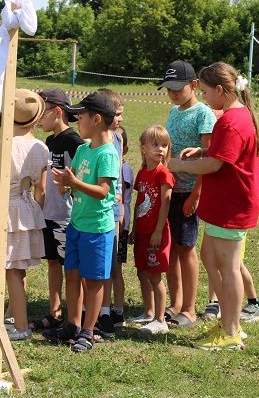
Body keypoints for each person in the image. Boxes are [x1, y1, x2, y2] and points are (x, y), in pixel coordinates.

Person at [168, 62, 259, 351]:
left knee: (228, 267)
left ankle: (232, 331)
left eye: (207, 92)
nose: (206, 98)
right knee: (210, 257)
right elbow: (220, 153)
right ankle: (229, 321)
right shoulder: (233, 117)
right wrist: (203, 149)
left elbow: (216, 164)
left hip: (232, 205)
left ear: (220, 90)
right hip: (223, 203)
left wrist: (179, 165)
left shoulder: (233, 121)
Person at [46, 92, 120, 353]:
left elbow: (103, 192)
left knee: (94, 280)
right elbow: (73, 180)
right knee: (72, 274)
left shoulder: (108, 154)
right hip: (76, 224)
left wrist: (73, 183)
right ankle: (72, 324)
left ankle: (88, 331)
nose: (77, 121)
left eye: (81, 117)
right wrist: (65, 183)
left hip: (97, 229)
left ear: (97, 119)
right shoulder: (81, 149)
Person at [158, 59, 216, 328]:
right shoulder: (173, 112)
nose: (173, 94)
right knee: (171, 249)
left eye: (178, 89)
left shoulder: (203, 114)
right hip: (170, 188)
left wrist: (196, 194)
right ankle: (175, 303)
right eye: (169, 89)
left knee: (186, 249)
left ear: (194, 85)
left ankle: (190, 309)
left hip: (189, 191)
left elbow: (209, 157)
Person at [0, 89, 49, 341]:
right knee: (18, 267)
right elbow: (41, 188)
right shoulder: (41, 147)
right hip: (28, 208)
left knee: (11, 268)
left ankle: (21, 326)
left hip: (9, 208)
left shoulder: (3, 146)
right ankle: (12, 317)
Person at [28, 89, 85, 332]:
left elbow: (84, 177)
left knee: (72, 269)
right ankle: (55, 312)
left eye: (43, 111)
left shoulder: (74, 142)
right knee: (53, 263)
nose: (39, 117)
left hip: (67, 217)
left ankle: (76, 317)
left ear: (58, 111)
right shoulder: (49, 142)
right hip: (49, 214)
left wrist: (70, 189)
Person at [203, 167, 259, 323]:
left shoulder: (250, 155)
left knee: (234, 263)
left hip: (235, 216)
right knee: (216, 259)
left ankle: (254, 302)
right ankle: (215, 302)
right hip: (222, 212)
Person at [129, 126, 175, 334]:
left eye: (164, 145)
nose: (160, 149)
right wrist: (134, 230)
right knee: (142, 272)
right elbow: (140, 203)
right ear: (143, 148)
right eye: (155, 145)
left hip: (157, 233)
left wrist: (158, 231)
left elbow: (165, 203)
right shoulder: (142, 173)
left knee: (156, 276)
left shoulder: (163, 173)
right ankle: (148, 312)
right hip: (142, 233)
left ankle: (160, 319)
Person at [93, 88, 124, 337]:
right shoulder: (93, 140)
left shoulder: (117, 139)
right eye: (117, 114)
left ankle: (105, 312)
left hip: (111, 210)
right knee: (99, 266)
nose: (120, 119)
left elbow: (119, 175)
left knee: (109, 265)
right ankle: (93, 310)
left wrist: (121, 204)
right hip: (93, 209)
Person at [113, 126, 133, 328]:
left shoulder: (124, 169)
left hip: (120, 221)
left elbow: (121, 195)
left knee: (116, 267)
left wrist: (122, 217)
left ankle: (118, 309)